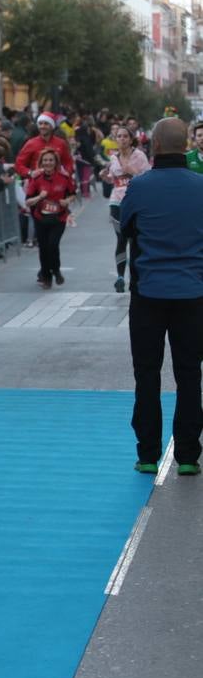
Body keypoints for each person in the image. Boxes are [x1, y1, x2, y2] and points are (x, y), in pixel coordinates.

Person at [120, 118, 203, 476]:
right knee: (189, 375)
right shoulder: (201, 186)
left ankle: (148, 453)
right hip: (193, 293)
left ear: (153, 145)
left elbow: (126, 229)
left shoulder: (139, 187)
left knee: (147, 373)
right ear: (186, 144)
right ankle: (187, 455)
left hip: (149, 293)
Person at [101, 125, 150, 293]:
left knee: (134, 240)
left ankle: (135, 278)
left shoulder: (139, 156)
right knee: (121, 238)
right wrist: (105, 177)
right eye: (118, 136)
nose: (121, 139)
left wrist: (133, 171)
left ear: (131, 139)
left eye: (124, 136)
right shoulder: (113, 158)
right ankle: (120, 277)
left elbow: (148, 178)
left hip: (135, 201)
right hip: (117, 202)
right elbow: (112, 180)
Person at [24, 148, 76, 289]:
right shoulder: (36, 179)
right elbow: (27, 202)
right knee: (43, 248)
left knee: (53, 245)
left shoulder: (64, 178)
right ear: (41, 162)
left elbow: (72, 194)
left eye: (50, 160)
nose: (48, 163)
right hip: (40, 218)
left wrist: (67, 201)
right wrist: (40, 197)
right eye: (45, 160)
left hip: (59, 218)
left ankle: (56, 270)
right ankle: (46, 277)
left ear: (55, 162)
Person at [16, 114, 74, 179]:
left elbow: (68, 162)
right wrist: (30, 173)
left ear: (52, 126)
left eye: (46, 124)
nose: (42, 126)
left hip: (57, 184)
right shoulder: (31, 143)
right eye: (40, 124)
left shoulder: (61, 143)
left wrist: (67, 173)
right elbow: (19, 164)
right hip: (36, 185)